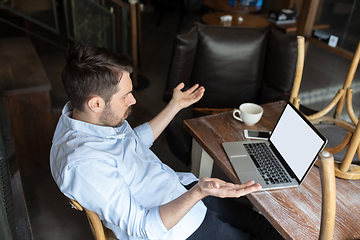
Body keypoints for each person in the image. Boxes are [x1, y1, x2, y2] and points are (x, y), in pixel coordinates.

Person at [50, 43, 283, 240]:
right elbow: (143, 228)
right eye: (125, 96)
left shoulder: (82, 117)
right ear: (96, 103)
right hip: (179, 229)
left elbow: (133, 143)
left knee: (263, 224)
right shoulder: (84, 165)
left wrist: (175, 106)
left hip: (182, 187)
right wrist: (198, 193)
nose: (133, 100)